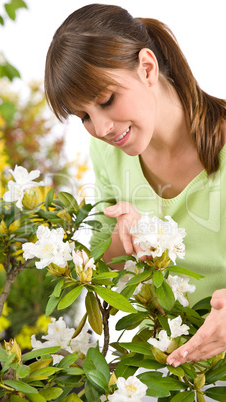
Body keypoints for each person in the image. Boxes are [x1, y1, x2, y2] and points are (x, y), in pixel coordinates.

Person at [44, 3, 226, 367]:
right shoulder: (107, 152)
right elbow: (102, 261)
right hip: (161, 371)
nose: (101, 128)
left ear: (147, 68)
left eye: (106, 100)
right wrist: (119, 233)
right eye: (84, 116)